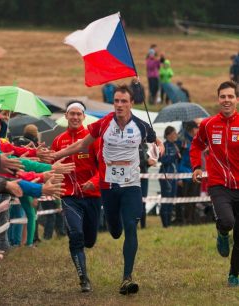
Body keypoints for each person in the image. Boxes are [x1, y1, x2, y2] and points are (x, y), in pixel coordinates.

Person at [52, 85, 164, 295]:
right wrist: (54, 157)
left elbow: (155, 142)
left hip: (131, 185)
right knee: (115, 231)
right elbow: (81, 146)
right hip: (108, 186)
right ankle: (115, 226)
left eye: (124, 101)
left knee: (131, 227)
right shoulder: (103, 123)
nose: (119, 105)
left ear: (131, 103)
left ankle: (126, 279)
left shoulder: (140, 125)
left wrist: (159, 149)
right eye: (116, 101)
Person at [190, 81, 239, 287]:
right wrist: (196, 167)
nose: (226, 100)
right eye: (223, 97)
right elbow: (196, 145)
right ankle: (222, 232)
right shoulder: (208, 125)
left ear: (236, 99)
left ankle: (234, 274)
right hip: (219, 184)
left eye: (230, 96)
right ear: (218, 99)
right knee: (227, 221)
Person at [51, 100, 101, 292]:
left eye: (78, 114)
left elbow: (102, 168)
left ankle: (82, 240)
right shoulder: (58, 141)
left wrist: (94, 182)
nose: (75, 117)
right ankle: (83, 279)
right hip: (69, 196)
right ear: (65, 116)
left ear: (83, 117)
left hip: (92, 196)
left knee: (89, 240)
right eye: (72, 113)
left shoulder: (92, 139)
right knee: (76, 236)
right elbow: (52, 168)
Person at [159, 126, 181, 228]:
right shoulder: (164, 145)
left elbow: (177, 161)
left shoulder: (175, 145)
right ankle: (165, 224)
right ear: (168, 135)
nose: (176, 135)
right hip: (166, 177)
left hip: (174, 176)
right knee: (166, 200)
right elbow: (163, 160)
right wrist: (174, 157)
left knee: (171, 200)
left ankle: (169, 223)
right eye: (174, 133)